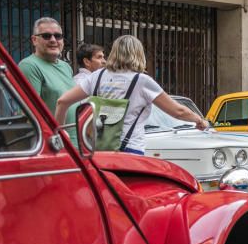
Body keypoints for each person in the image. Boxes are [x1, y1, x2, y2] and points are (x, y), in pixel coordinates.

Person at [55, 34, 208, 155]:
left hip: (98, 150)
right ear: (139, 54)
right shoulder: (142, 81)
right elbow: (177, 111)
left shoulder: (97, 76)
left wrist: (60, 134)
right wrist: (198, 120)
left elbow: (62, 101)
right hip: (130, 149)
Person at [18, 17, 76, 125]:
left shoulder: (65, 66)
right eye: (46, 36)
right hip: (55, 139)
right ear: (34, 40)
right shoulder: (29, 66)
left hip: (75, 137)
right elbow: (29, 112)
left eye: (58, 36)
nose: (53, 40)